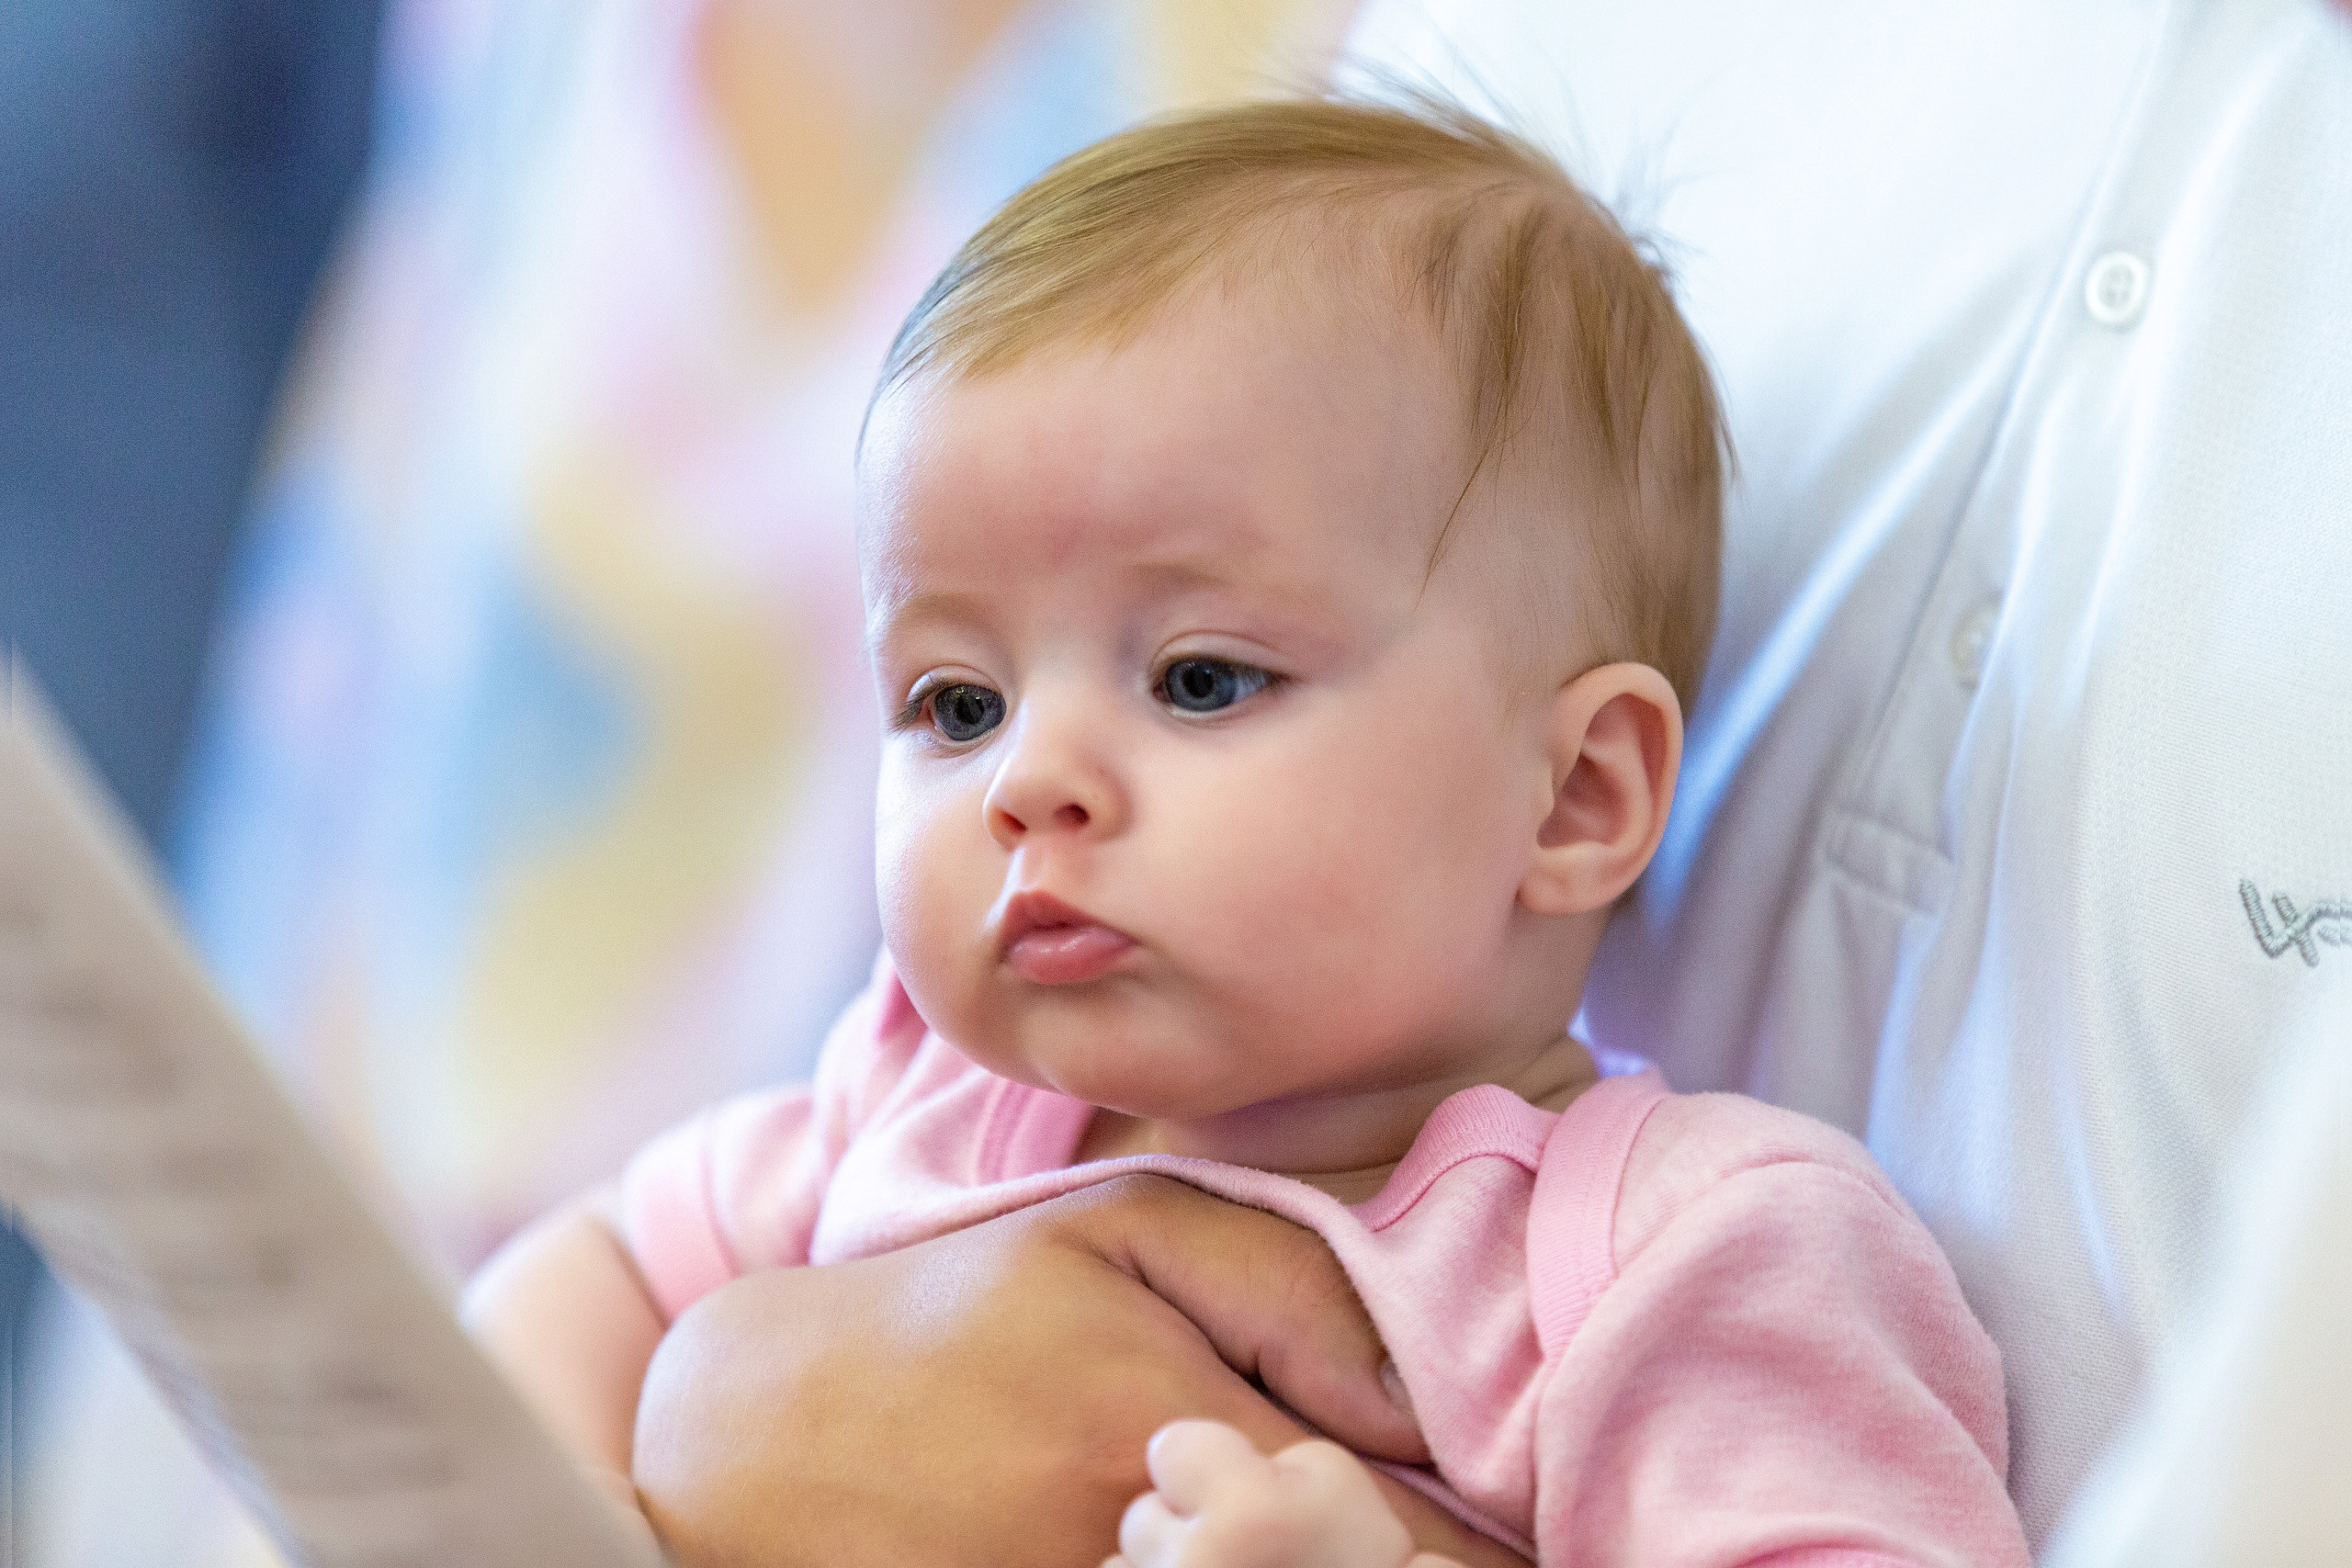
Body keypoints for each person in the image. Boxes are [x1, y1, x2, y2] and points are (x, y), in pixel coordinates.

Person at [467, 97, 2030, 1567]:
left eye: (1200, 679)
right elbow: (592, 1271)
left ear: (1573, 798)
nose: (1027, 782)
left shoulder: (1671, 1255)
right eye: (955, 705)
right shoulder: (916, 1098)